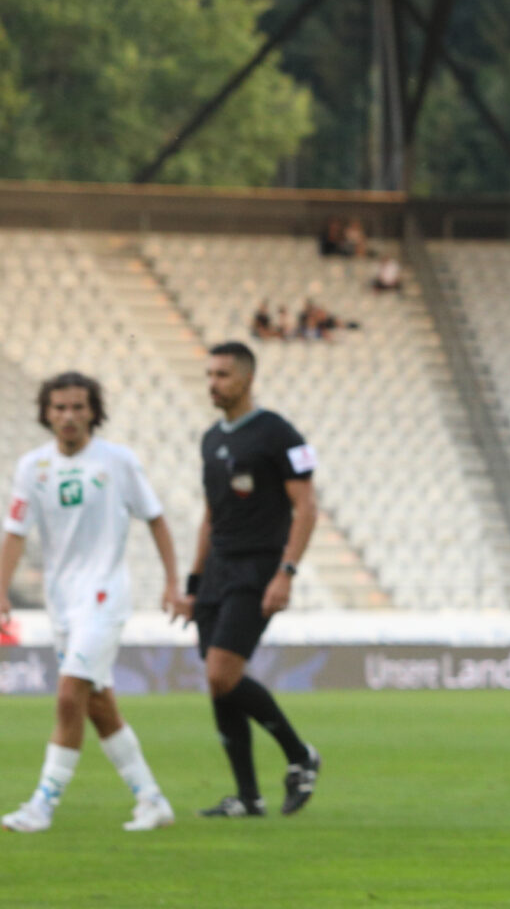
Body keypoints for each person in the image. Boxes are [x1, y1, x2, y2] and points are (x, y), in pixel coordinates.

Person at [1, 373, 180, 833]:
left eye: (78, 407)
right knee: (99, 706)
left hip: (105, 596)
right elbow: (15, 533)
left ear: (93, 412)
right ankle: (152, 799)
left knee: (68, 695)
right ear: (46, 413)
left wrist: (172, 583)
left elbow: (156, 520)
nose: (69, 416)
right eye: (59, 407)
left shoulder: (117, 462)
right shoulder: (32, 467)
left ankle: (42, 804)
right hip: (61, 602)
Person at [169, 343, 321, 818]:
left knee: (221, 672)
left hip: (257, 567)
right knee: (219, 684)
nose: (213, 383)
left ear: (247, 379)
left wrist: (286, 573)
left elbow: (307, 507)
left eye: (223, 375)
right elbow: (210, 516)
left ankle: (300, 756)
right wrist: (193, 585)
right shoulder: (210, 439)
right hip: (217, 570)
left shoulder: (278, 433)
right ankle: (248, 797)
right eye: (210, 374)